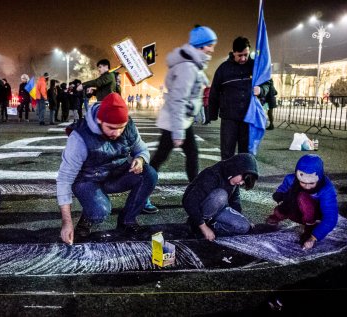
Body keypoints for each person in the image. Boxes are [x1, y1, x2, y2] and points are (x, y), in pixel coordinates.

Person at [57, 93, 158, 244]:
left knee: (149, 174)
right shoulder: (79, 138)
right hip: (87, 180)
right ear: (99, 120)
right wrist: (67, 222)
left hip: (114, 175)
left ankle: (127, 221)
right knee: (100, 212)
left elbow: (142, 148)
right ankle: (89, 215)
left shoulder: (128, 125)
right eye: (111, 128)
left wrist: (140, 159)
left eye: (121, 128)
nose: (116, 133)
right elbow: (64, 179)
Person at [147, 25, 217, 214]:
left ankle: (145, 191)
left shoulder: (190, 64)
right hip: (176, 123)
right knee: (167, 157)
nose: (212, 49)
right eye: (210, 45)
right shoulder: (188, 67)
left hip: (179, 121)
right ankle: (143, 192)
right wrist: (178, 131)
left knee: (169, 157)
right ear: (201, 46)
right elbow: (178, 99)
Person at [209, 36, 270, 160]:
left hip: (249, 118)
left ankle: (246, 179)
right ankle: (227, 178)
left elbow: (268, 83)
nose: (243, 58)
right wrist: (212, 114)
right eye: (239, 55)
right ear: (233, 52)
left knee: (246, 154)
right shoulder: (223, 69)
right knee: (227, 153)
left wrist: (261, 90)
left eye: (246, 55)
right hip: (229, 118)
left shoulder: (255, 66)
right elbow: (214, 91)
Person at [266, 154, 338, 250]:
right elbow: (283, 188)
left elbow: (331, 217)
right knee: (291, 196)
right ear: (297, 176)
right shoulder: (290, 179)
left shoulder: (327, 189)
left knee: (303, 197)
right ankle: (278, 215)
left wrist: (313, 237)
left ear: (319, 178)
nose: (307, 186)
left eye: (311, 183)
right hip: (298, 212)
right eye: (303, 182)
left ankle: (310, 228)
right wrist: (279, 194)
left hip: (314, 217)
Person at [183, 153, 258, 241]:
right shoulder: (212, 174)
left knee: (243, 226)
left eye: (243, 182)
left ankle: (211, 228)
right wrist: (203, 227)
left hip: (218, 209)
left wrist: (242, 218)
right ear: (236, 170)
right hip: (201, 209)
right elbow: (189, 202)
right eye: (242, 179)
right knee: (221, 195)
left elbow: (235, 201)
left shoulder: (234, 177)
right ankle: (197, 226)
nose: (241, 183)